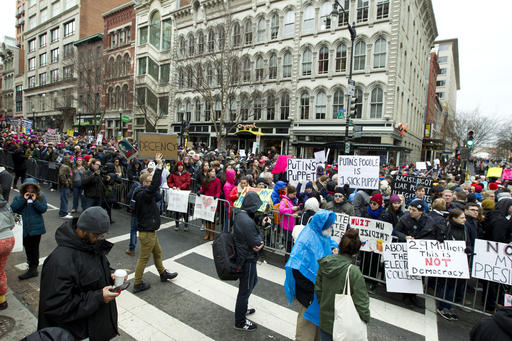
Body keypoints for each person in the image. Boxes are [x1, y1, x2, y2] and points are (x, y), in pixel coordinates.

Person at [38, 207, 123, 340]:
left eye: (102, 234)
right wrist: (99, 297)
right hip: (78, 333)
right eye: (97, 235)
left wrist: (111, 274)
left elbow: (94, 271)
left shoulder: (90, 245)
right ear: (82, 230)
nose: (101, 238)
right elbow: (57, 306)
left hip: (95, 327)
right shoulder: (60, 261)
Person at [285, 210, 338, 341]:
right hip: (308, 294)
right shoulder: (307, 240)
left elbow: (329, 242)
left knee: (317, 328)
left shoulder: (321, 233)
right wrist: (310, 293)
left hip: (319, 292)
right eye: (330, 224)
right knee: (306, 330)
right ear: (322, 224)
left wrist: (334, 247)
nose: (332, 227)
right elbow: (297, 269)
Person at [133, 153, 177, 293]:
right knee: (143, 259)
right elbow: (153, 189)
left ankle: (163, 273)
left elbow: (157, 196)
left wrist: (155, 186)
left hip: (150, 230)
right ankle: (137, 283)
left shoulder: (148, 193)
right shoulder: (142, 194)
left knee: (158, 252)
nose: (153, 182)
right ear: (145, 182)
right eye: (150, 180)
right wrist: (158, 167)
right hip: (146, 232)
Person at [315, 228, 370, 341]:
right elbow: (362, 302)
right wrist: (365, 318)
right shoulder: (354, 272)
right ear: (356, 250)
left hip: (326, 320)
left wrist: (324, 305)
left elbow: (318, 289)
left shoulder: (325, 263)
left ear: (340, 244)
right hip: (345, 325)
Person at [233, 191, 264, 331]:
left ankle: (242, 308)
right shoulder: (247, 221)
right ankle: (240, 321)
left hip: (245, 257)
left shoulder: (240, 215)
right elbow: (257, 244)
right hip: (248, 259)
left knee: (253, 282)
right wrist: (263, 229)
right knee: (245, 290)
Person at [436, 208, 471, 321]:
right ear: (454, 218)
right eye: (462, 218)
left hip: (458, 262)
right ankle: (442, 307)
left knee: (452, 286)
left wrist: (468, 248)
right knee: (444, 285)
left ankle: (449, 306)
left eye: (464, 217)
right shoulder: (446, 227)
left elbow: (468, 242)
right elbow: (439, 240)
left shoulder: (465, 229)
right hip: (446, 261)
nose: (464, 220)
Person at [10, 178, 47, 280]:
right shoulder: (19, 197)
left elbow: (43, 209)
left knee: (34, 248)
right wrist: (23, 199)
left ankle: (33, 269)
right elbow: (13, 208)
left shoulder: (40, 196)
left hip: (36, 228)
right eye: (28, 187)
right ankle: (30, 264)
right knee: (27, 247)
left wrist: (35, 201)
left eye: (32, 187)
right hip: (24, 227)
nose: (30, 190)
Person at [0, 188, 14, 310]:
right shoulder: (5, 204)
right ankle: (2, 300)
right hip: (9, 239)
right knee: (1, 271)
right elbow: (12, 222)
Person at [167, 161, 191, 232]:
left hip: (184, 193)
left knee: (185, 210)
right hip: (176, 194)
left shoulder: (186, 173)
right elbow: (169, 182)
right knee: (176, 210)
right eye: (179, 166)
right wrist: (173, 186)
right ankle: (177, 224)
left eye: (181, 166)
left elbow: (188, 182)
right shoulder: (173, 174)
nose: (180, 167)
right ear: (177, 167)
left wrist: (180, 187)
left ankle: (186, 224)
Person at [198, 167, 221, 240]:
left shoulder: (217, 180)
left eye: (214, 171)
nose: (213, 173)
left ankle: (212, 234)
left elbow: (218, 191)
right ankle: (207, 233)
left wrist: (216, 196)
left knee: (213, 219)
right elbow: (203, 189)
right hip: (207, 201)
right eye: (212, 172)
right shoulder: (206, 180)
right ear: (209, 173)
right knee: (207, 218)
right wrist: (199, 192)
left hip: (213, 202)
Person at [279, 185, 301, 253]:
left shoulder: (293, 200)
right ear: (289, 193)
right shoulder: (284, 200)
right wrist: (292, 209)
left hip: (292, 224)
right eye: (294, 194)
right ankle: (287, 257)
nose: (295, 195)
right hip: (287, 225)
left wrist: (297, 209)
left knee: (291, 242)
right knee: (289, 242)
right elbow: (281, 210)